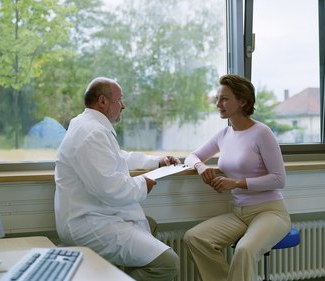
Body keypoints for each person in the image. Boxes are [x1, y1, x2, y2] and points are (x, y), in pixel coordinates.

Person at [54, 77, 180, 281]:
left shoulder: (89, 125)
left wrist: (157, 162)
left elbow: (118, 157)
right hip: (88, 223)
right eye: (120, 99)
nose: (124, 105)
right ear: (103, 101)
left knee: (150, 224)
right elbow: (110, 188)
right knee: (167, 263)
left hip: (97, 214)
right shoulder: (91, 133)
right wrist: (144, 185)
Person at [183, 74, 291, 281]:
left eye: (224, 99)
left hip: (270, 212)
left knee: (244, 250)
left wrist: (236, 183)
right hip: (239, 213)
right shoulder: (224, 134)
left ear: (243, 101)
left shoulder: (262, 133)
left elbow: (279, 180)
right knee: (195, 238)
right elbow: (192, 156)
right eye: (217, 98)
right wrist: (200, 167)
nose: (218, 104)